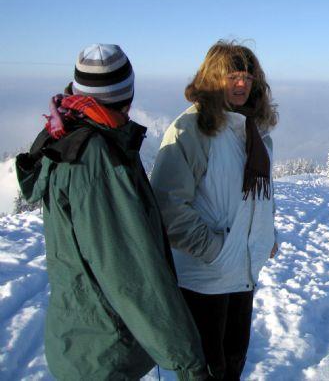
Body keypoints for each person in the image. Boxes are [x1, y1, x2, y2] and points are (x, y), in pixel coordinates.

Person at [15, 44, 207, 380]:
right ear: (128, 94)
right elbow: (133, 276)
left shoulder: (68, 132)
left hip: (81, 338)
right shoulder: (97, 162)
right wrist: (188, 361)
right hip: (103, 354)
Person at [150, 41, 279, 380]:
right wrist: (216, 251)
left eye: (247, 77)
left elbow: (259, 195)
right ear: (212, 78)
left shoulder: (253, 129)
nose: (241, 84)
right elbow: (168, 205)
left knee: (233, 363)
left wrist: (267, 235)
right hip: (204, 278)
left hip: (242, 270)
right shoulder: (192, 130)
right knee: (206, 370)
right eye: (231, 76)